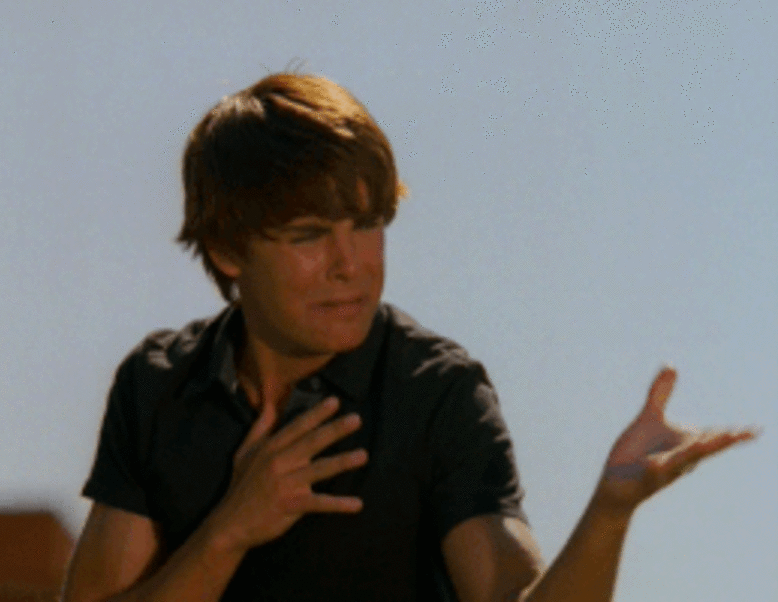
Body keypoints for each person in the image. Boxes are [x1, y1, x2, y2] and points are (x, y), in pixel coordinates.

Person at [62, 73, 757, 602]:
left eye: (368, 225)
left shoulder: (435, 392)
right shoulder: (158, 385)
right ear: (227, 249)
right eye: (309, 235)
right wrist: (229, 530)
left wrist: (609, 512)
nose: (351, 265)